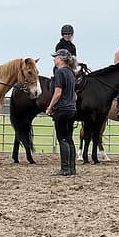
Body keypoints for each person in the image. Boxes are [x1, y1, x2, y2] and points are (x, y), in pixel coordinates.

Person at [46, 48, 77, 176]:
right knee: (69, 139)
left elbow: (57, 93)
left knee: (62, 139)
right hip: (72, 109)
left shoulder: (60, 72)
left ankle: (65, 168)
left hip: (62, 109)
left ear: (61, 59)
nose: (54, 59)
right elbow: (74, 94)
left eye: (56, 57)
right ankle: (72, 168)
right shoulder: (71, 73)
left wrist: (50, 107)